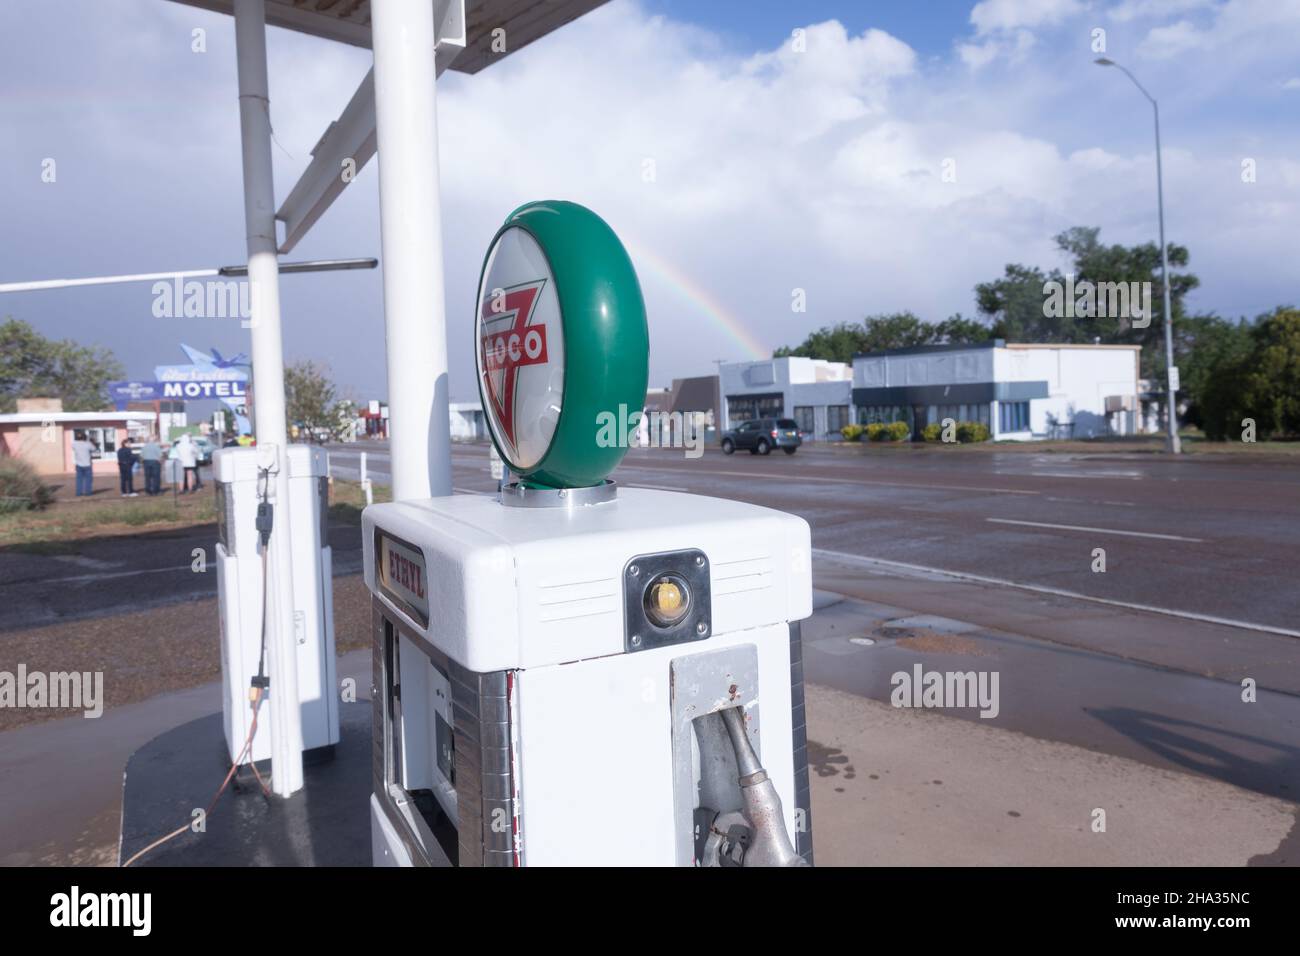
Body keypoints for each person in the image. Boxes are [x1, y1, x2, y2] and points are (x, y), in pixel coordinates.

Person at [71, 430, 96, 497]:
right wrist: (92, 441)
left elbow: (73, 447)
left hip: (78, 464)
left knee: (79, 480)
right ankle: (88, 493)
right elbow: (94, 449)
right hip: (87, 464)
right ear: (85, 437)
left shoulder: (74, 444)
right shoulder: (88, 444)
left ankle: (78, 493)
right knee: (88, 479)